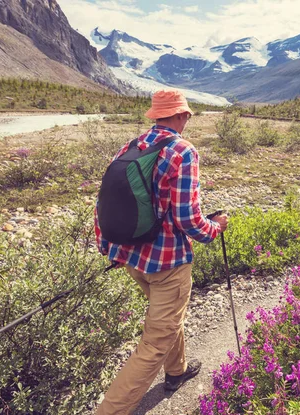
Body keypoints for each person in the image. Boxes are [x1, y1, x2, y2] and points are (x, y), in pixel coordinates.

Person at [93, 90, 228, 415]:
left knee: (167, 320)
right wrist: (216, 229)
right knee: (154, 343)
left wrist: (110, 249)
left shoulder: (131, 146)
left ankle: (177, 370)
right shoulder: (183, 151)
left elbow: (105, 201)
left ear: (155, 116)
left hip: (131, 258)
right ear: (182, 116)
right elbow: (188, 220)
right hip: (168, 263)